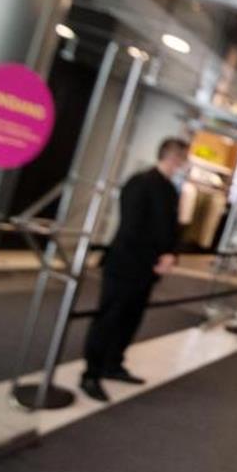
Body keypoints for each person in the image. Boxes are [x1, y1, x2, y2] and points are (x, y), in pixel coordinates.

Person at [80, 137, 189, 402]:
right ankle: (91, 374)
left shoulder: (171, 190)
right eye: (184, 158)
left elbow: (172, 229)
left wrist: (171, 255)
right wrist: (160, 256)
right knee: (110, 317)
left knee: (131, 319)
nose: (186, 164)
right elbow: (132, 228)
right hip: (125, 264)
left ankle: (113, 364)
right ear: (174, 158)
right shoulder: (139, 183)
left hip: (147, 269)